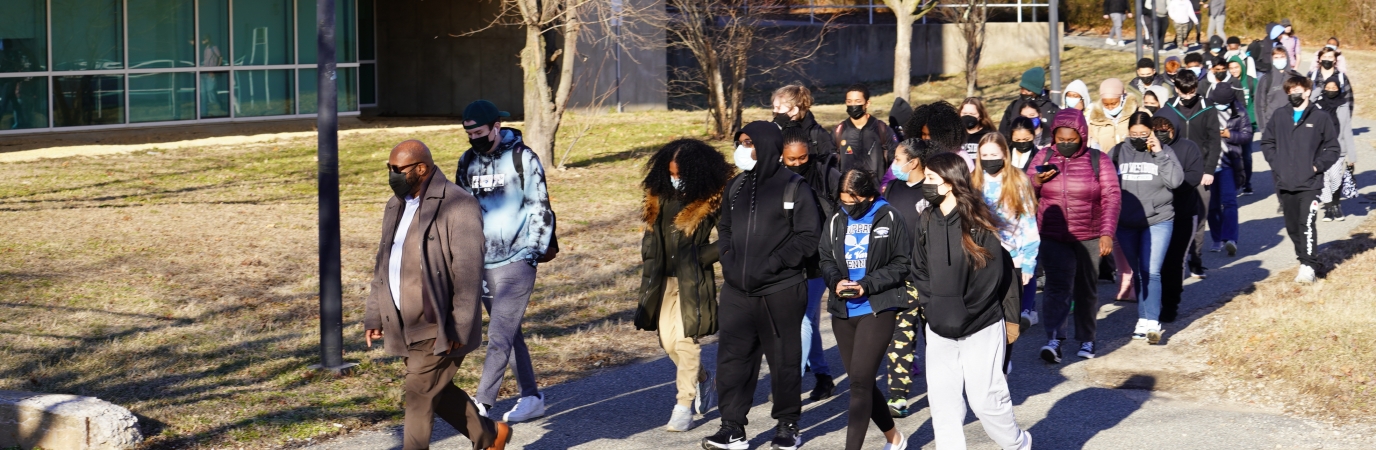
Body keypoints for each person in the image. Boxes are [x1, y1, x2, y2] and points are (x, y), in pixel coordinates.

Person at [365, 140, 513, 450]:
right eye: (389, 169)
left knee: (418, 394)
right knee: (436, 390)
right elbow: (383, 264)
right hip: (406, 322)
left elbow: (468, 271)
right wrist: (375, 314)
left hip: (439, 324)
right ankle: (490, 436)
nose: (392, 175)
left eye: (397, 169)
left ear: (421, 168)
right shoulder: (396, 205)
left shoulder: (457, 204)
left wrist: (460, 324)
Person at [703, 121, 821, 450]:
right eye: (740, 142)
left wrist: (772, 264)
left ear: (767, 145)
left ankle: (787, 427)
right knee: (732, 361)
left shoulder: (794, 187)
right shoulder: (736, 187)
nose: (743, 149)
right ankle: (732, 428)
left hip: (780, 290)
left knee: (784, 360)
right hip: (737, 291)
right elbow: (724, 227)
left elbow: (809, 237)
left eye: (749, 142)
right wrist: (727, 256)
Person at [914, 152, 1031, 450]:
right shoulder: (927, 219)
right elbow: (919, 267)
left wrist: (963, 311)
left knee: (985, 401)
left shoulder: (979, 223)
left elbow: (990, 278)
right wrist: (932, 307)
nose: (924, 184)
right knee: (943, 403)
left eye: (930, 179)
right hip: (939, 326)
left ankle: (1018, 444)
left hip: (979, 325)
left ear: (950, 183)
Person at [457, 100, 555, 423]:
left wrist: (532, 253)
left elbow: (540, 207)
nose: (474, 139)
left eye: (480, 132)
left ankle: (483, 402)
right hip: (484, 262)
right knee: (510, 332)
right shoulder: (466, 163)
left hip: (519, 258)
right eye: (468, 134)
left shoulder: (522, 158)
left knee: (499, 331)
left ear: (497, 127)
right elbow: (462, 214)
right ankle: (531, 397)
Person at [636, 139, 732, 432]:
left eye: (679, 173)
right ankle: (703, 378)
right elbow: (651, 237)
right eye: (670, 173)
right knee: (667, 343)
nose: (674, 178)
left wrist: (703, 256)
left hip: (693, 280)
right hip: (661, 280)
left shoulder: (714, 196)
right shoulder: (658, 193)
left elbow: (731, 236)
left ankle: (683, 405)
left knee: (686, 340)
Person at [818, 169, 913, 450]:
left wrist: (866, 285)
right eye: (844, 201)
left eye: (853, 201)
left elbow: (901, 263)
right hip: (843, 312)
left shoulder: (889, 216)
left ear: (870, 195)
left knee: (858, 385)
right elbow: (825, 257)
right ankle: (894, 438)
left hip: (877, 308)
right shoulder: (836, 219)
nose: (848, 206)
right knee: (864, 383)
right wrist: (836, 281)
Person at [1028, 109, 1121, 361]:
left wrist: (1107, 233)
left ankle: (1087, 340)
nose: (1066, 144)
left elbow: (1112, 197)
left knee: (1086, 289)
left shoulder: (1098, 160)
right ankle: (1054, 339)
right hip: (1052, 236)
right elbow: (1024, 193)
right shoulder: (1043, 155)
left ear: (1082, 136)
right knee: (1056, 288)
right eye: (1061, 139)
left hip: (1089, 236)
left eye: (1072, 139)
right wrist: (1036, 180)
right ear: (1053, 137)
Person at [1109, 113, 1184, 343]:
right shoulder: (1118, 152)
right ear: (1128, 132)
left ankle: (1153, 321)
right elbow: (1108, 184)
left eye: (1144, 134)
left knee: (1152, 270)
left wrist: (1159, 153)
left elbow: (1175, 181)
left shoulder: (1164, 151)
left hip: (1158, 219)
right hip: (1127, 223)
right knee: (1139, 271)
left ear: (1151, 132)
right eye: (1134, 134)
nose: (1139, 138)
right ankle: (1143, 318)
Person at [1260, 76, 1340, 284]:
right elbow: (1267, 142)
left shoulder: (1320, 117)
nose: (1293, 94)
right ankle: (1305, 259)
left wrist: (1316, 166)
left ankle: (1308, 266)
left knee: (1306, 223)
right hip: (1285, 182)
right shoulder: (1280, 116)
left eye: (1297, 90)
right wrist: (1276, 163)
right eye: (1290, 91)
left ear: (1307, 91)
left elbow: (1333, 148)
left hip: (1310, 183)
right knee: (1293, 226)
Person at [881, 138, 940, 418]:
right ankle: (898, 396)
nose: (894, 164)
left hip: (930, 278)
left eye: (897, 158)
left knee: (937, 338)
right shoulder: (891, 188)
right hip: (900, 278)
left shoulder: (934, 190)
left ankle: (943, 389)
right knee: (900, 338)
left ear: (913, 162)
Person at [781, 129, 841, 401]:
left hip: (818, 260)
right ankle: (823, 376)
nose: (797, 163)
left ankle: (791, 380)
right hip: (788, 261)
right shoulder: (777, 178)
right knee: (807, 320)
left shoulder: (824, 175)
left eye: (802, 158)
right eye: (791, 159)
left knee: (804, 317)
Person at [972, 133, 1041, 334]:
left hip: (1014, 255)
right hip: (985, 255)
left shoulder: (1019, 180)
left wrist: (1029, 260)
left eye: (994, 154)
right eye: (984, 155)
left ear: (1004, 154)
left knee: (1010, 319)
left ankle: (1006, 359)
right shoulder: (974, 182)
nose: (989, 159)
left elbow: (1028, 222)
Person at [1159, 71, 1221, 279]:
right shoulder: (1168, 108)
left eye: (1192, 92)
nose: (1188, 97)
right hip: (1170, 170)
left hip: (1199, 171)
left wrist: (1209, 170)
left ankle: (1195, 260)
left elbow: (1214, 141)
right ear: (1176, 89)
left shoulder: (1208, 108)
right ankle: (1171, 260)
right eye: (1183, 93)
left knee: (1198, 217)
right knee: (1169, 216)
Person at [1154, 115, 1206, 323]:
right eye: (1156, 129)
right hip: (1155, 214)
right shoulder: (1148, 148)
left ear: (1174, 128)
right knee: (1154, 263)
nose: (1161, 133)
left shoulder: (1188, 147)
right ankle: (1151, 304)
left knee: (1174, 262)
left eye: (1166, 128)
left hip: (1182, 213)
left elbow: (1194, 176)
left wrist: (1170, 184)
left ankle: (1170, 304)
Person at [1207, 79, 1251, 255]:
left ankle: (1231, 239)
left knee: (1230, 202)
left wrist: (1229, 134)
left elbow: (1247, 135)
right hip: (1209, 164)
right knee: (1212, 205)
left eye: (1223, 104)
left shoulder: (1239, 111)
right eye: (1217, 103)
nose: (1220, 106)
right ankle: (1217, 238)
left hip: (1228, 164)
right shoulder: (1206, 109)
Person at [834, 84, 899, 187]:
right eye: (849, 102)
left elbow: (896, 162)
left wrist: (887, 186)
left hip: (877, 192)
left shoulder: (882, 129)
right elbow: (832, 166)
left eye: (858, 101)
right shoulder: (839, 131)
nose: (853, 105)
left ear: (867, 103)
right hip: (848, 193)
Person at [1311, 77, 1356, 222]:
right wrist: (1318, 88)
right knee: (1324, 178)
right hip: (1320, 148)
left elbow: (1348, 131)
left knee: (1335, 177)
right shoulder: (1317, 104)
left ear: (1339, 89)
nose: (1330, 90)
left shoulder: (1343, 105)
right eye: (1328, 88)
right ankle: (1329, 208)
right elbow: (1309, 99)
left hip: (1338, 149)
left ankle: (1336, 205)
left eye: (1334, 88)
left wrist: (1352, 157)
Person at [772, 84, 838, 162]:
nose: (774, 111)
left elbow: (831, 164)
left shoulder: (817, 134)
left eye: (778, 108)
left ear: (794, 110)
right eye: (774, 107)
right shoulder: (774, 132)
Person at [1227, 55, 1260, 195]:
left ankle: (1247, 182)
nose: (1234, 70)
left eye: (1236, 67)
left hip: (1248, 125)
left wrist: (1250, 119)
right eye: (1231, 68)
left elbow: (1256, 103)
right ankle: (1235, 183)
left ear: (1242, 66)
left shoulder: (1251, 82)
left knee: (1246, 155)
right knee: (1233, 155)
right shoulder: (1228, 83)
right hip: (1231, 125)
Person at [998, 67, 1061, 137]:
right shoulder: (1013, 106)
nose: (1023, 92)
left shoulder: (1052, 109)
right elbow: (1002, 133)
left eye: (1028, 90)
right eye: (1022, 88)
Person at [1087, 78, 1142, 151]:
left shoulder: (1138, 114)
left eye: (1113, 104)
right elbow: (1094, 145)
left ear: (1122, 98)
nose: (1110, 108)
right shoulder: (1095, 121)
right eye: (1106, 104)